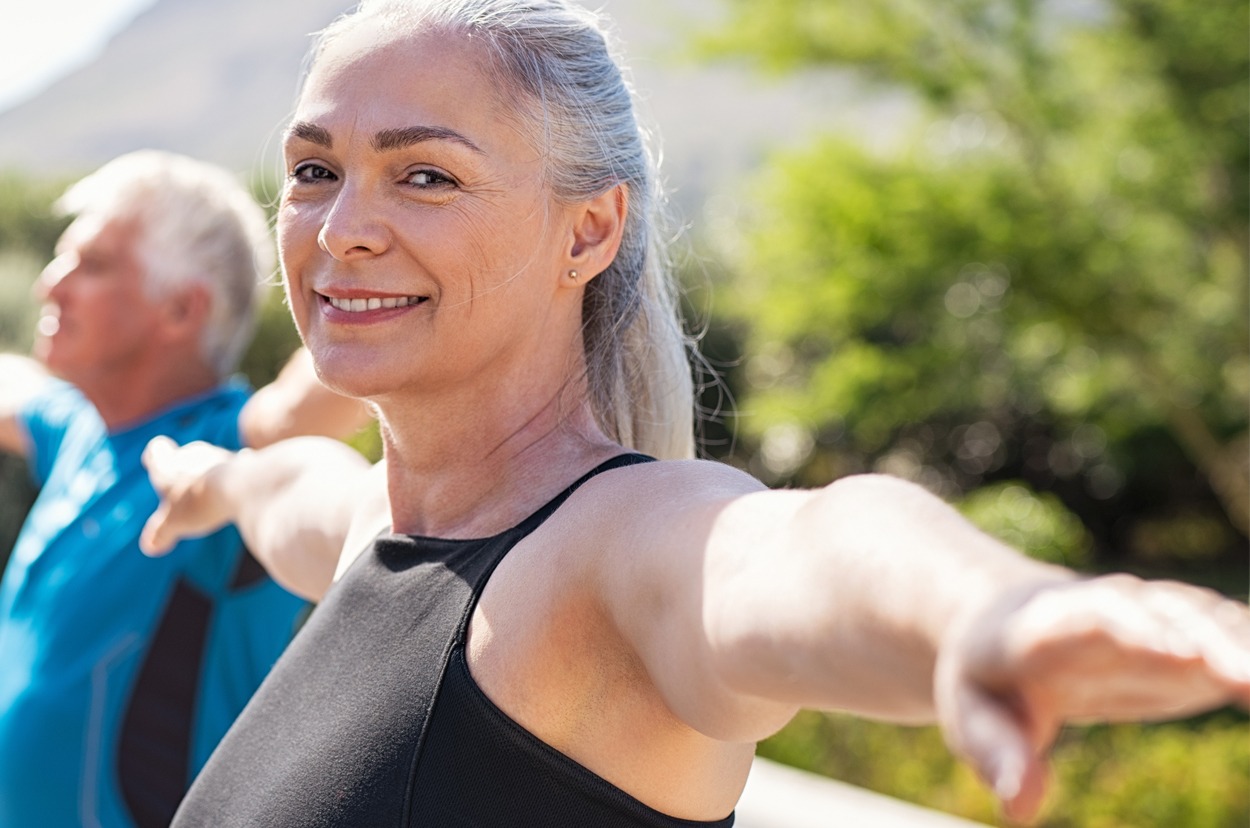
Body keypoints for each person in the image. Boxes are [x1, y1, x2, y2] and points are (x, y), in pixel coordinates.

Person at [139, 2, 1250, 826]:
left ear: (587, 232)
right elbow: (272, 486)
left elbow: (795, 549)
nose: (339, 231)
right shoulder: (364, 529)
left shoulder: (607, 552)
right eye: (313, 170)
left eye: (423, 177)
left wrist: (981, 612)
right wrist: (204, 482)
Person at [0, 150, 370, 828]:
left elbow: (313, 400)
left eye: (94, 264)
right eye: (60, 258)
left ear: (179, 310)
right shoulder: (78, 428)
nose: (51, 285)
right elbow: (13, 386)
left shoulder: (232, 445)